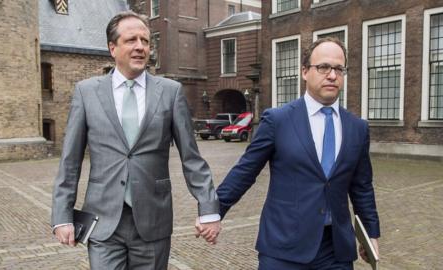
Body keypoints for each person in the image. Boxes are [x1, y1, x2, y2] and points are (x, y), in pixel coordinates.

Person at [51, 11, 220, 270]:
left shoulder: (170, 92)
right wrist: (62, 216)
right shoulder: (86, 92)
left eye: (145, 41)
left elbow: (192, 159)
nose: (140, 47)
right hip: (103, 222)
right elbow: (70, 161)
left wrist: (208, 209)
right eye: (131, 40)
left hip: (153, 221)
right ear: (112, 48)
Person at [215, 37, 380, 269]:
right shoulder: (278, 120)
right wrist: (213, 212)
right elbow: (245, 171)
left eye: (338, 69)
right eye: (323, 67)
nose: (332, 75)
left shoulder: (357, 128)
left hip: (336, 251)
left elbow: (362, 186)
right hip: (283, 249)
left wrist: (370, 233)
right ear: (305, 72)